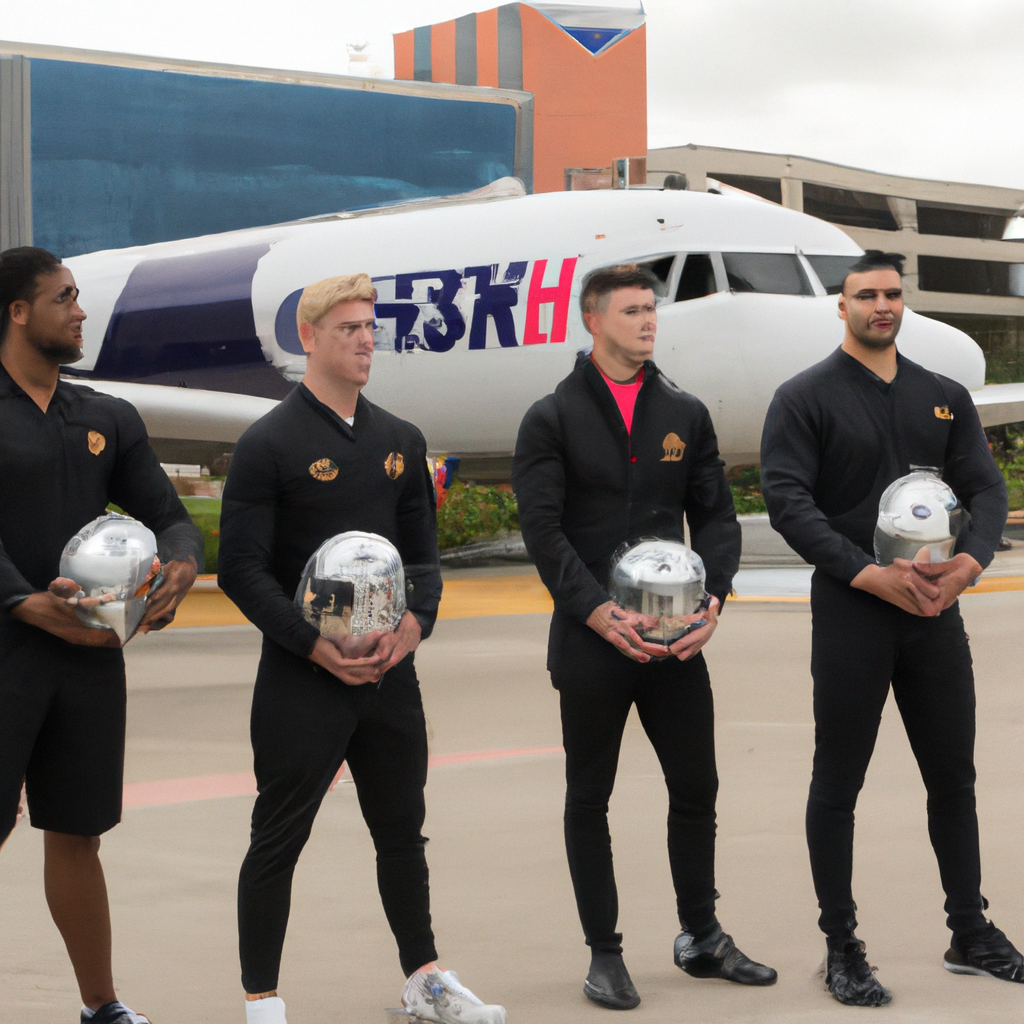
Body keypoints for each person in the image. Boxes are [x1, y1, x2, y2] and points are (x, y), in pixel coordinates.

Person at [218, 274, 506, 1024]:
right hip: (301, 676)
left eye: (370, 326)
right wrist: (314, 647)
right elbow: (242, 571)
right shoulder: (268, 444)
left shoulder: (398, 441)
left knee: (401, 832)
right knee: (278, 836)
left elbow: (421, 560)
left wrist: (416, 627)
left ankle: (426, 980)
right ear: (307, 338)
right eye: (347, 327)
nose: (365, 339)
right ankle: (263, 1000)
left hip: (388, 674)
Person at [760, 250, 1023, 1006]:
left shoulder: (942, 396)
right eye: (866, 294)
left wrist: (969, 565)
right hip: (854, 612)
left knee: (954, 777)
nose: (882, 305)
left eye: (892, 295)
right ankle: (842, 945)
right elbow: (789, 501)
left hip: (936, 613)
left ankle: (969, 931)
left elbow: (984, 486)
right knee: (839, 781)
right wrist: (867, 573)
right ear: (839, 307)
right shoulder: (804, 397)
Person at [512, 263, 776, 1010]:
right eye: (630, 311)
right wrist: (596, 610)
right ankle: (605, 953)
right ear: (592, 320)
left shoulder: (683, 413)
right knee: (588, 797)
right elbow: (543, 529)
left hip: (675, 645)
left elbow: (716, 515)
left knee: (697, 788)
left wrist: (714, 600)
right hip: (594, 644)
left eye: (650, 310)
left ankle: (701, 935)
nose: (647, 321)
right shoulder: (551, 417)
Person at [0, 246, 202, 1024]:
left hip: (87, 659)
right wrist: (20, 601)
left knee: (77, 831)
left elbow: (172, 518)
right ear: (18, 312)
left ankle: (101, 1006)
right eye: (64, 297)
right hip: (7, 649)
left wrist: (179, 570)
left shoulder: (106, 417)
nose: (81, 310)